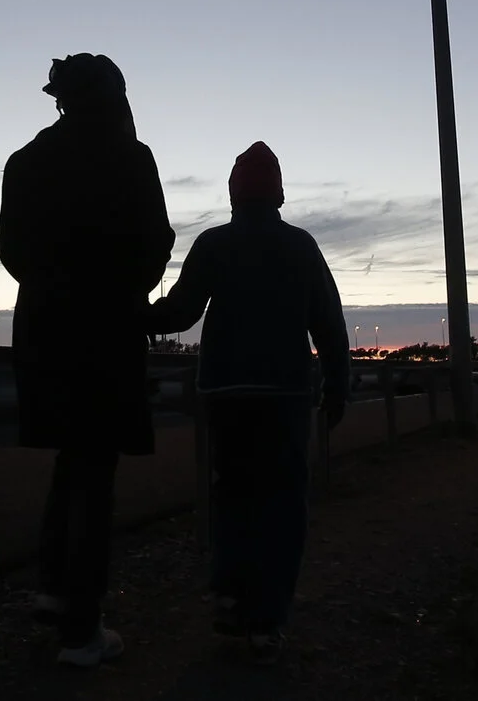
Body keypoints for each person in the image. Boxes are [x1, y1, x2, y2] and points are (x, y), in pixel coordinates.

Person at [0, 53, 174, 667]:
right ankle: (81, 629)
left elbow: (11, 250)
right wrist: (125, 291)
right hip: (107, 331)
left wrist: (54, 290)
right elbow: (158, 240)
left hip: (45, 331)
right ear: (114, 94)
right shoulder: (132, 157)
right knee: (93, 471)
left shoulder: (25, 161)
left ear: (60, 98)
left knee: (73, 458)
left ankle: (53, 589)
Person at [146, 140, 348, 660]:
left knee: (232, 493)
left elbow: (180, 313)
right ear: (279, 194)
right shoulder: (301, 246)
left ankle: (231, 597)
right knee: (282, 502)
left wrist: (134, 316)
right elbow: (328, 321)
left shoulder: (214, 244)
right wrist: (338, 384)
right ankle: (267, 618)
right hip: (284, 393)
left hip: (224, 391)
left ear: (233, 193)